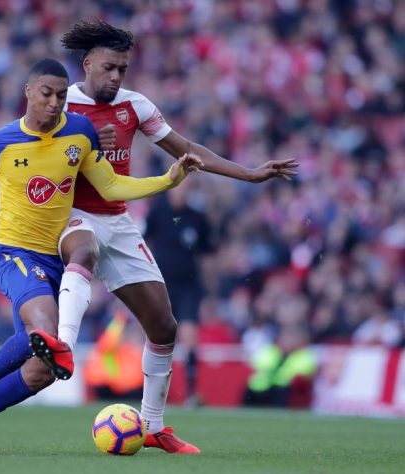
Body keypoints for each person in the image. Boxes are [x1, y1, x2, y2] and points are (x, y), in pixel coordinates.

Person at [0, 58, 201, 452]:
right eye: (47, 94)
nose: (54, 103)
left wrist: (166, 181)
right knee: (45, 329)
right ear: (29, 92)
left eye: (62, 96)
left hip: (53, 259)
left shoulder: (79, 134)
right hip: (12, 254)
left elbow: (112, 187)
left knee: (42, 372)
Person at [28, 19, 299, 454]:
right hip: (71, 213)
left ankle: (152, 425)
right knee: (83, 250)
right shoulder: (61, 105)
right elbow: (30, 158)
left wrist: (248, 174)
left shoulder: (135, 106)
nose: (117, 77)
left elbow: (186, 149)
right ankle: (63, 344)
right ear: (89, 63)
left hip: (118, 220)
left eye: (124, 70)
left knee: (164, 326)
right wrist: (86, 141)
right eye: (110, 68)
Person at [145, 180, 215, 407]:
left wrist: (210, 292)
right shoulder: (157, 213)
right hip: (161, 285)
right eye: (179, 187)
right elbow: (144, 243)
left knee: (189, 337)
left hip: (189, 286)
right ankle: (152, 395)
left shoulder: (198, 218)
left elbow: (207, 254)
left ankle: (192, 394)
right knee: (158, 338)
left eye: (187, 188)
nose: (183, 192)